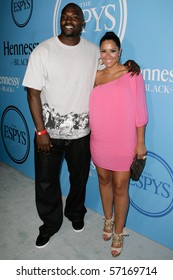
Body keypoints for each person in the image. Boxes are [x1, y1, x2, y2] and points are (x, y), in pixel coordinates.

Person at [22, 3, 140, 249]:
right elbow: (32, 93)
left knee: (79, 180)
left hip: (82, 134)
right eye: (65, 15)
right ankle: (50, 225)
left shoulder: (91, 52)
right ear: (60, 21)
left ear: (82, 23)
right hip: (49, 135)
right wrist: (41, 131)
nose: (69, 19)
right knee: (46, 182)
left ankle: (76, 214)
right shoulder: (42, 51)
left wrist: (130, 65)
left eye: (75, 16)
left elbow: (110, 70)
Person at [89, 31, 148, 257]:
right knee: (103, 179)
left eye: (112, 50)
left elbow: (140, 110)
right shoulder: (93, 76)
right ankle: (107, 219)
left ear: (120, 51)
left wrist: (140, 142)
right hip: (99, 139)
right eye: (103, 51)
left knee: (120, 186)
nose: (108, 55)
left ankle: (118, 232)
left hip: (124, 141)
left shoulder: (132, 73)